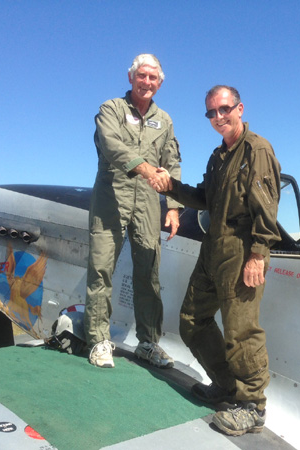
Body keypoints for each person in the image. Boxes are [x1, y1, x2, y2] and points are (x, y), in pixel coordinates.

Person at [150, 85, 281, 436]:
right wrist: (170, 187)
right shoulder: (217, 157)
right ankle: (226, 385)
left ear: (239, 108)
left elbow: (267, 209)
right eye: (211, 112)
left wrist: (258, 255)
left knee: (241, 332)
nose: (218, 117)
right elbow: (204, 198)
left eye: (224, 109)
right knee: (192, 320)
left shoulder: (257, 150)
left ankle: (252, 406)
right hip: (213, 249)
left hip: (242, 250)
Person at [84, 54, 182, 370]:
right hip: (111, 196)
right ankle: (98, 340)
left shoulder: (164, 120)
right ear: (131, 78)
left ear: (160, 83)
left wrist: (174, 207)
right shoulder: (111, 109)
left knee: (148, 272)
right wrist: (144, 168)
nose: (147, 82)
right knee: (101, 268)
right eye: (142, 75)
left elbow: (172, 163)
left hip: (148, 202)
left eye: (153, 77)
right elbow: (110, 144)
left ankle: (148, 343)